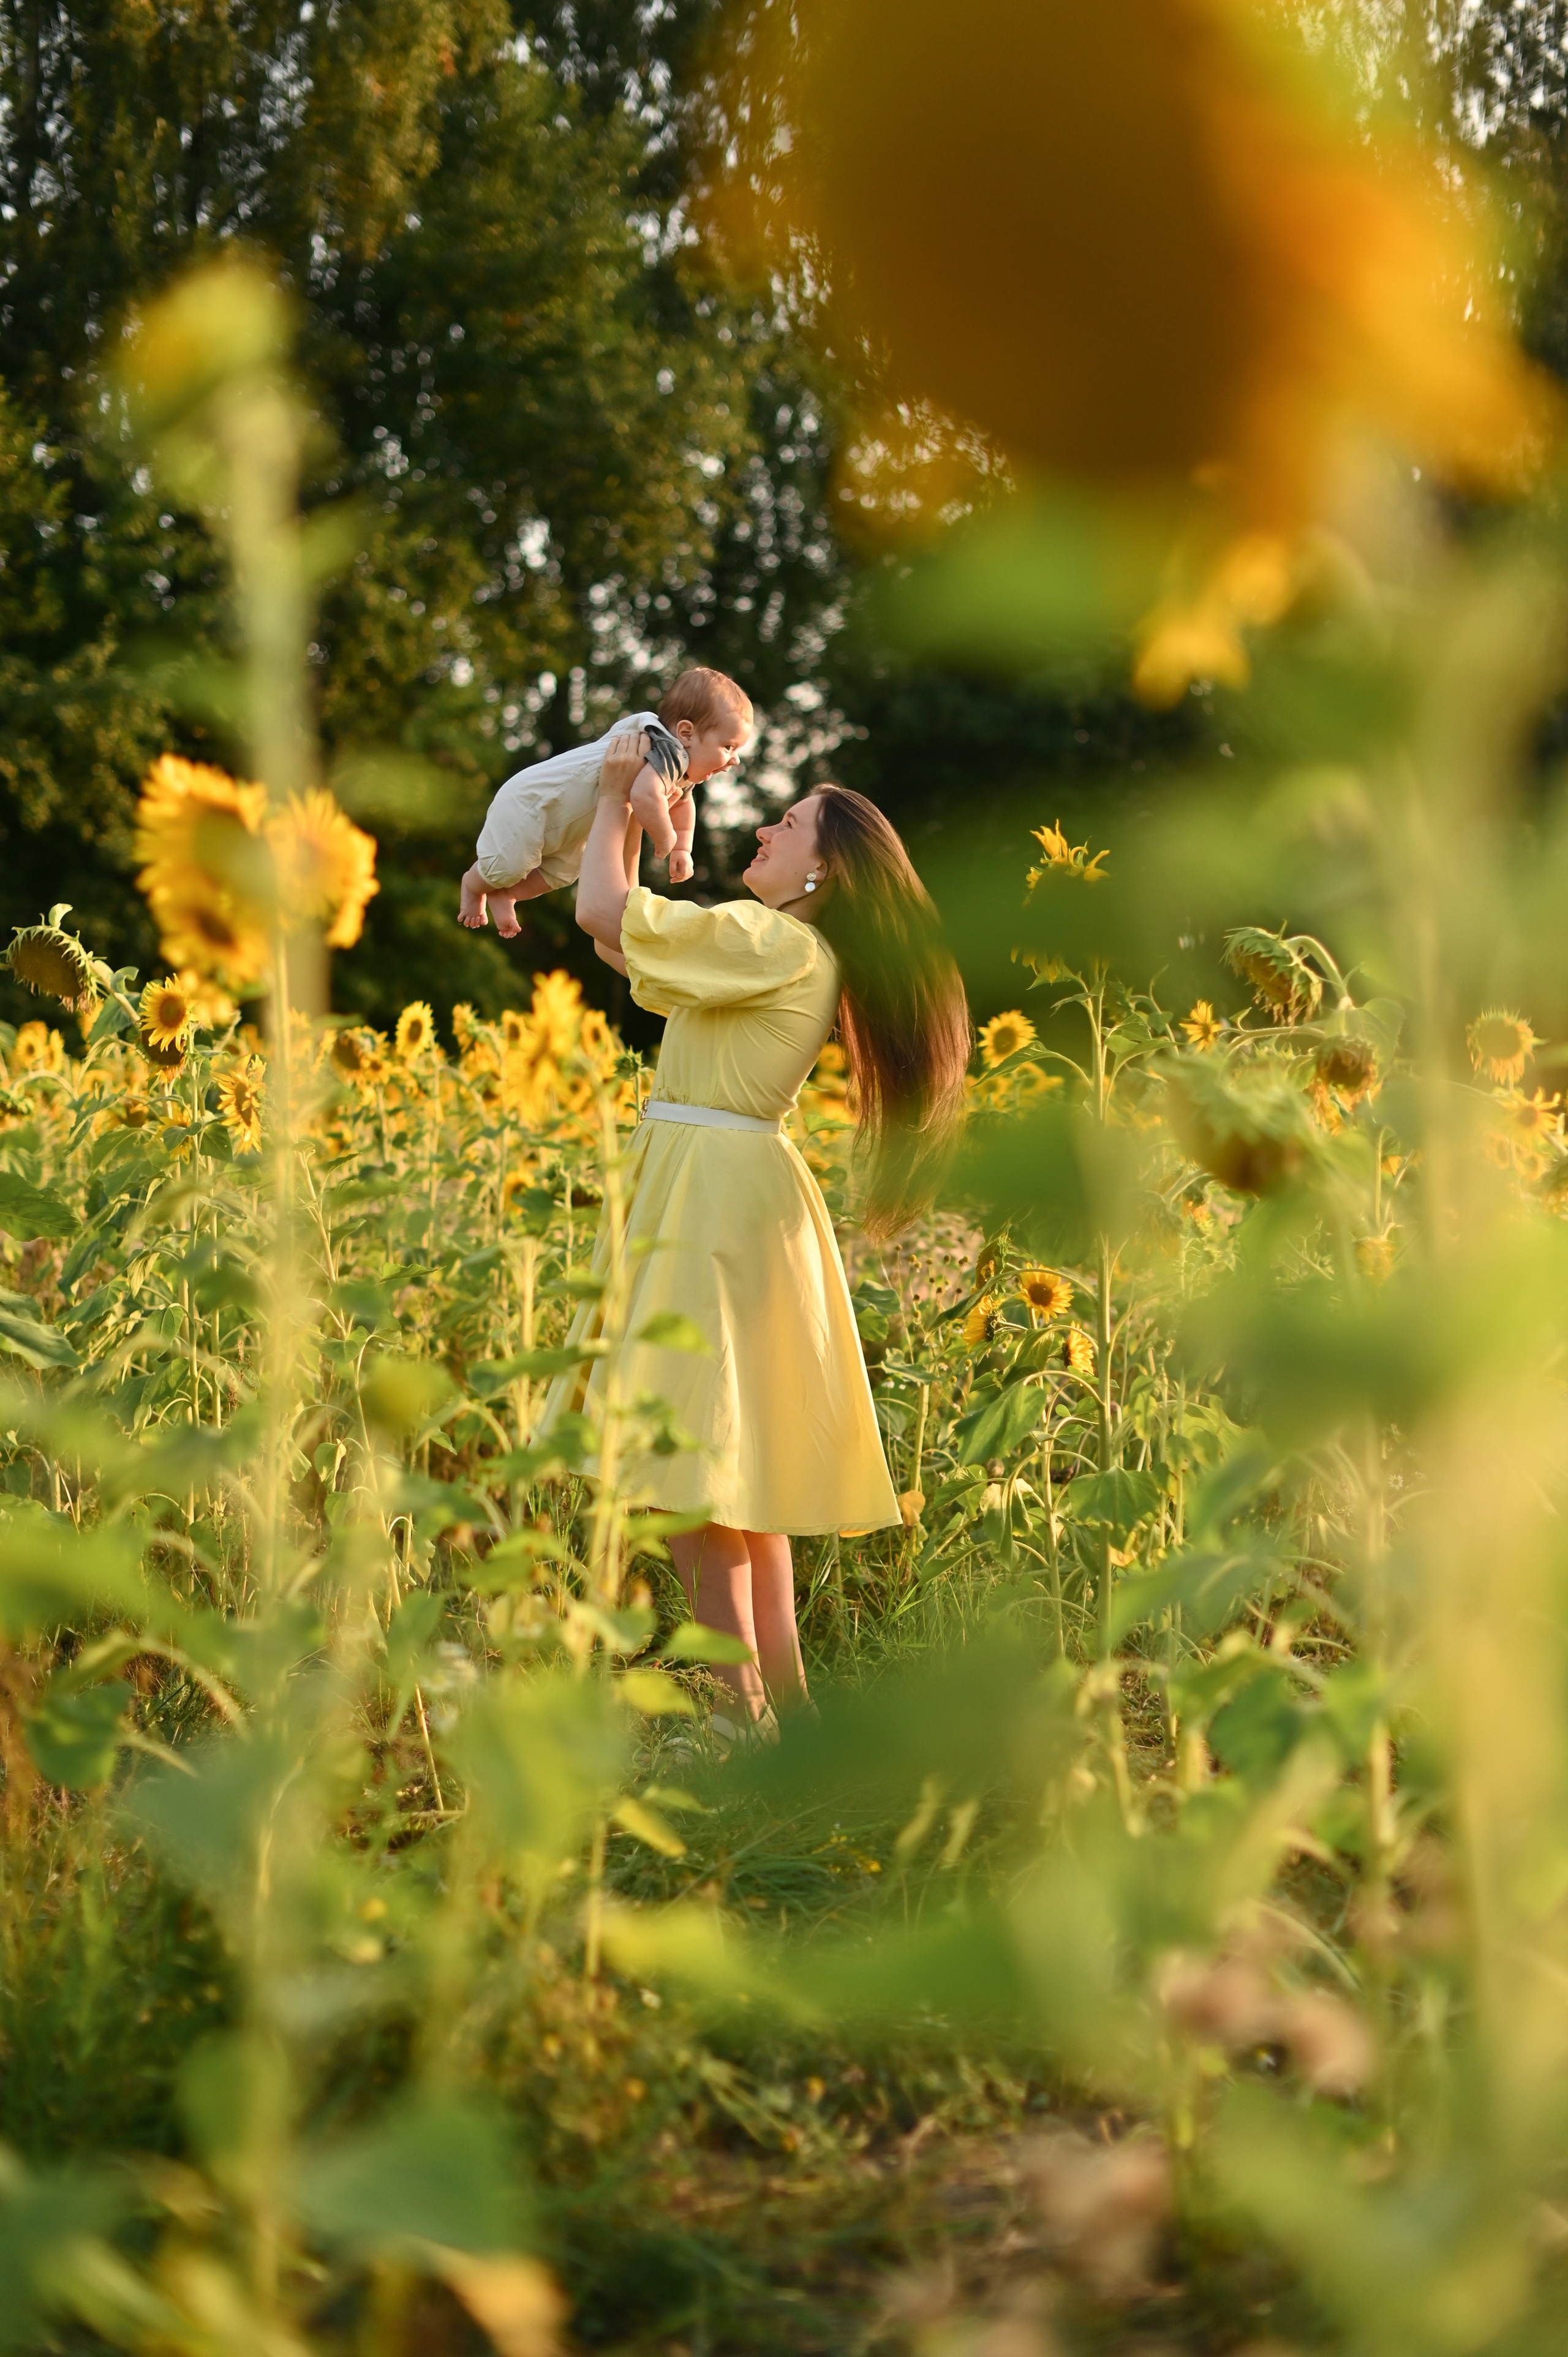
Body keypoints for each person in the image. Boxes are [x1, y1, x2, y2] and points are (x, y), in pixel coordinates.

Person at [547, 732, 971, 1735]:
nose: (769, 826)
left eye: (791, 822)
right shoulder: (775, 950)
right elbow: (623, 943)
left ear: (821, 867)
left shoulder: (772, 940)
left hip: (710, 1198)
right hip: (734, 1191)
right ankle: (786, 1716)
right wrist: (631, 833)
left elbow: (602, 911)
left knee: (689, 1476)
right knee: (741, 1488)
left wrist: (615, 798)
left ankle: (739, 1727)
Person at [456, 667, 752, 935]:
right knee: (505, 867)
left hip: (570, 824)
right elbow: (644, 795)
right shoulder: (667, 749)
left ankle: (507, 894)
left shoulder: (683, 768)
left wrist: (682, 848)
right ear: (686, 733)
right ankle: (473, 884)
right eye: (728, 746)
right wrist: (666, 837)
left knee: (561, 874)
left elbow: (684, 804)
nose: (735, 759)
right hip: (535, 804)